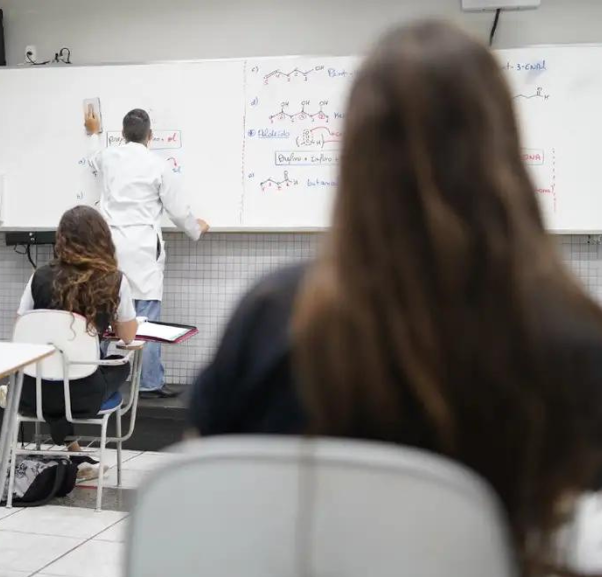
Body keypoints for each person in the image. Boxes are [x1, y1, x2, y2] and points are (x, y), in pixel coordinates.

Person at [191, 20, 602, 575]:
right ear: (501, 148)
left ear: (356, 155)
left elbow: (205, 486)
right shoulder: (575, 335)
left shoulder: (273, 315)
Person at [85, 108, 209, 398]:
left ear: (123, 134)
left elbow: (92, 159)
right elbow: (178, 211)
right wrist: (196, 229)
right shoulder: (158, 165)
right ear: (150, 136)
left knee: (104, 311)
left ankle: (92, 375)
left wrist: (93, 133)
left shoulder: (108, 156)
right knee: (147, 319)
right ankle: (150, 382)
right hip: (142, 248)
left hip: (111, 247)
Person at [6, 206, 137, 477]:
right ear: (103, 238)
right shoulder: (114, 280)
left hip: (32, 392)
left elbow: (21, 327)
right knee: (120, 364)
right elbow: (128, 337)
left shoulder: (39, 276)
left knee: (56, 371)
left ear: (61, 238)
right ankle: (79, 458)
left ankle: (76, 454)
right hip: (82, 395)